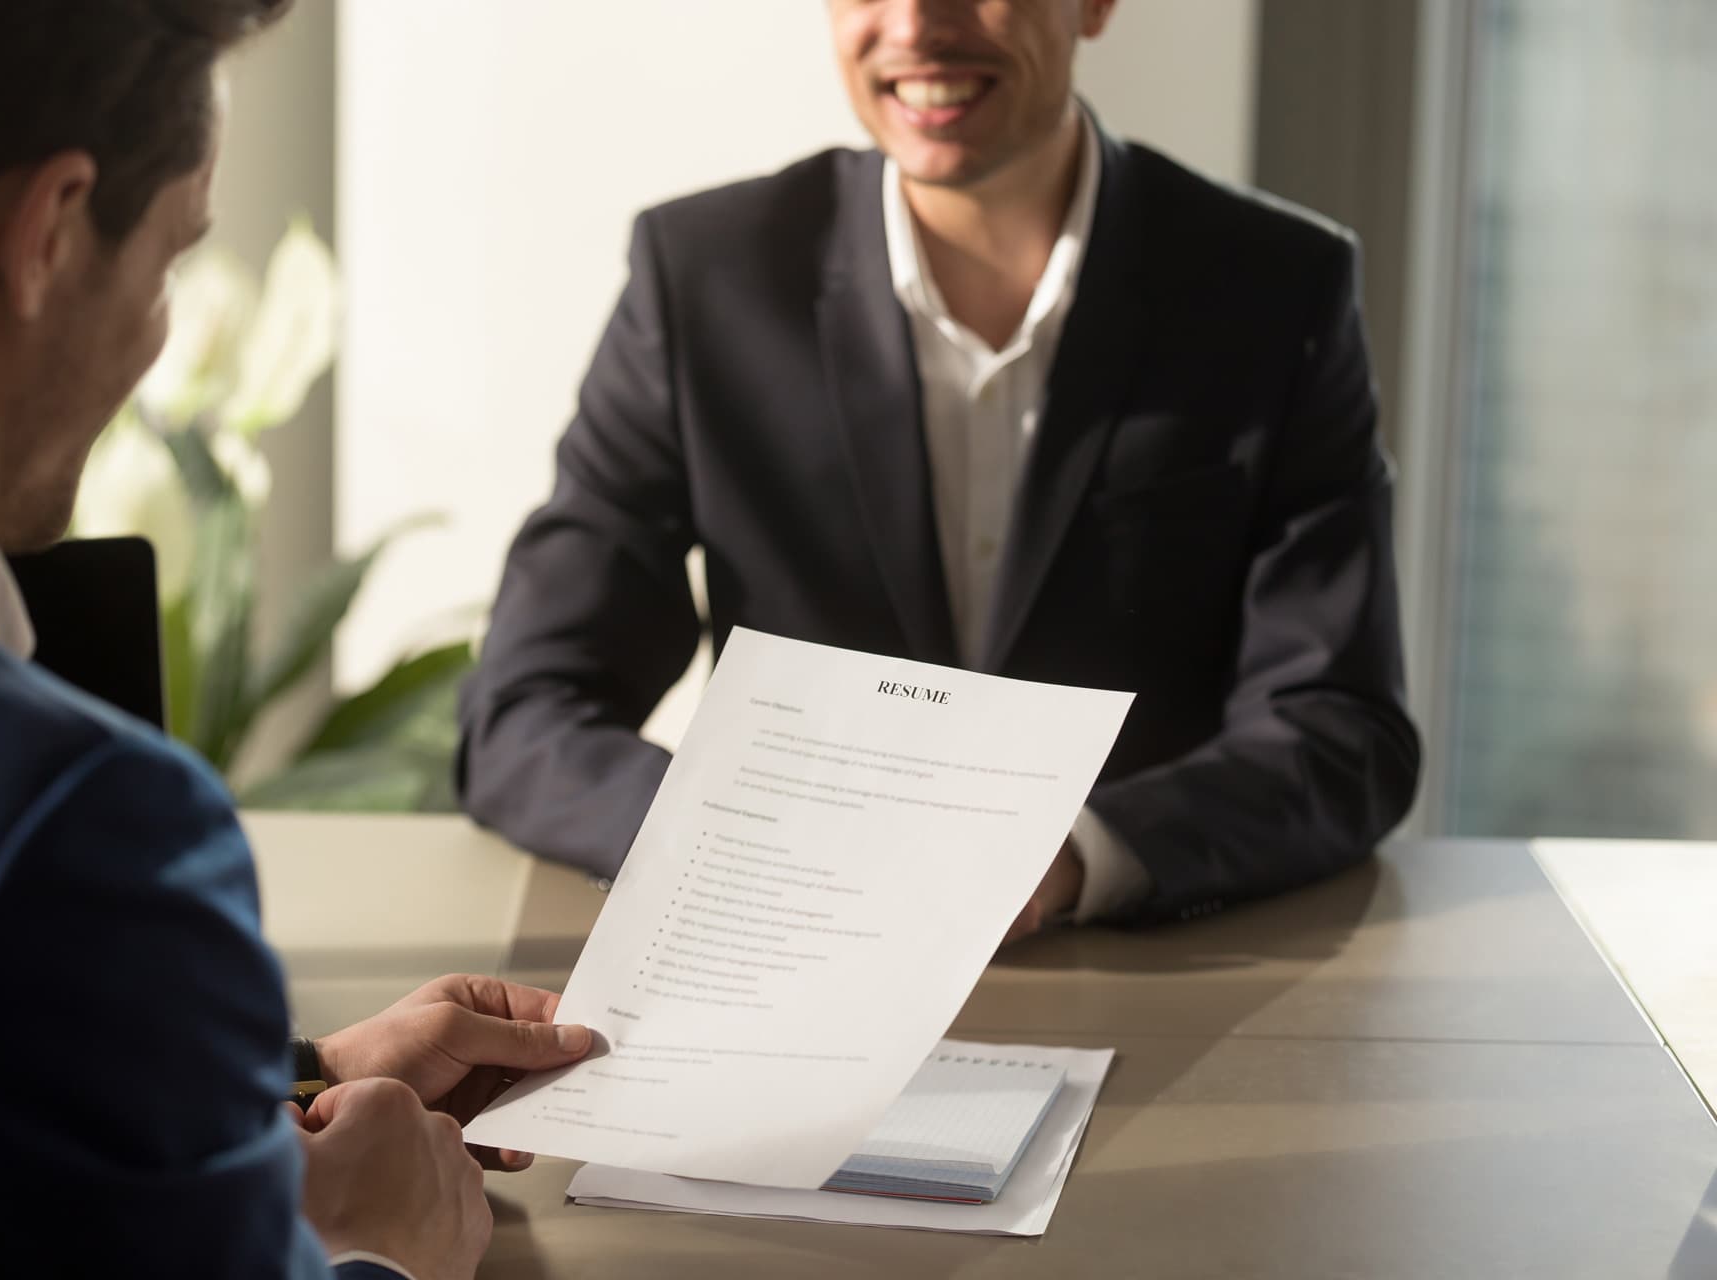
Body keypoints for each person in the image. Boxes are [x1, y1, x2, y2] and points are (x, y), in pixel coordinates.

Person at [0, 4, 588, 1277]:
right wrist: (381, 1246)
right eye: (170, 258)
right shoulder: (64, 816)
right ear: (48, 234)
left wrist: (293, 1074)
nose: (160, 335)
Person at [457, 0, 1422, 933]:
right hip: (783, 973)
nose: (916, 25)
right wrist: (737, 840)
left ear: (1095, 4)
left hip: (1146, 970)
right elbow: (526, 710)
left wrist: (1083, 854)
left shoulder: (1276, 290)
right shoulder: (704, 281)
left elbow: (1342, 730)